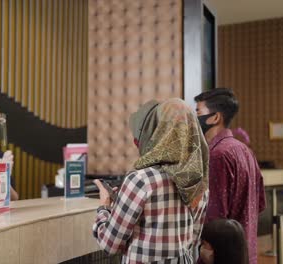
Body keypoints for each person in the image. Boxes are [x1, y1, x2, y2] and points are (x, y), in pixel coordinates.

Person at [93, 98, 209, 263]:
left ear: (159, 132)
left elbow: (110, 244)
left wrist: (104, 207)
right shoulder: (199, 180)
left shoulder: (140, 180)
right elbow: (194, 239)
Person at [194, 88, 266, 264]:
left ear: (215, 117)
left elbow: (214, 215)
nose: (194, 119)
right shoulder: (245, 151)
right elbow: (260, 203)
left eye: (198, 112)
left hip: (219, 255)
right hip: (245, 252)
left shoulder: (217, 154)